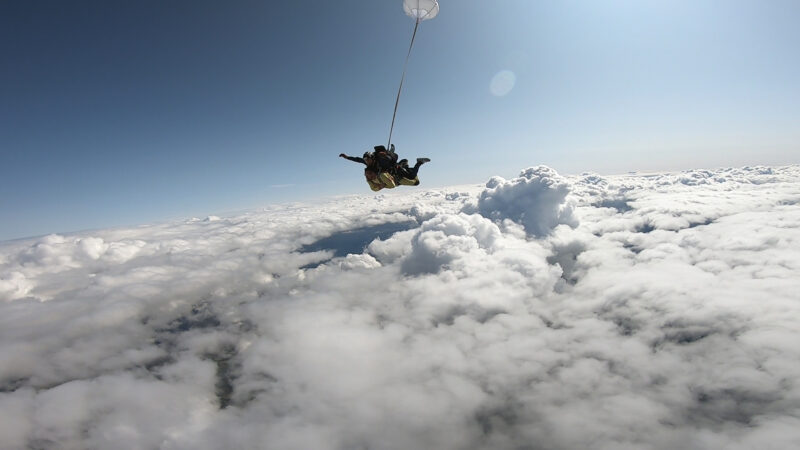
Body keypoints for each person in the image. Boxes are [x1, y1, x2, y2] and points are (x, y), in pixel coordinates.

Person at [339, 145, 430, 191]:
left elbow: (394, 158)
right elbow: (357, 159)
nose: (367, 161)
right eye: (365, 160)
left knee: (412, 176)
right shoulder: (368, 164)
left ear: (372, 158)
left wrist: (387, 155)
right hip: (391, 174)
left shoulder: (380, 160)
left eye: (368, 159)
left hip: (395, 168)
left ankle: (418, 162)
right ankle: (404, 164)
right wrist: (346, 157)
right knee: (412, 179)